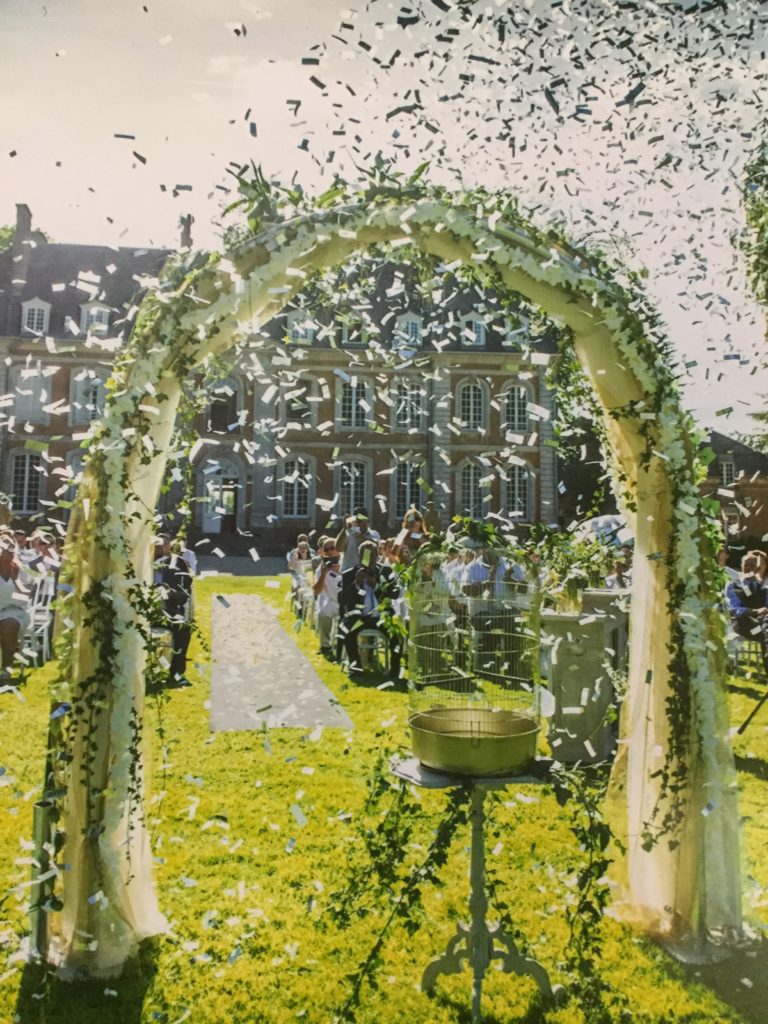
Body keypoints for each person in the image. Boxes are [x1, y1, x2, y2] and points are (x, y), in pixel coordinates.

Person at [338, 539, 400, 677]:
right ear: (359, 556)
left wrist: (377, 586)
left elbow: (393, 595)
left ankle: (395, 668)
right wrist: (356, 583)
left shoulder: (385, 571)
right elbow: (342, 600)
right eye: (366, 555)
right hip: (360, 617)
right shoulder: (349, 574)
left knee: (396, 631)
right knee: (349, 630)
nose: (369, 559)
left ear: (377, 555)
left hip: (380, 617)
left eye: (372, 555)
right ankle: (355, 666)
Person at [153, 539, 193, 688]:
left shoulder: (177, 564)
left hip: (166, 611)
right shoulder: (137, 561)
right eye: (155, 545)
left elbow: (183, 596)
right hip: (140, 612)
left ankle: (176, 674)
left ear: (168, 547)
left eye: (162, 545)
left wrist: (169, 592)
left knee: (183, 628)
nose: (158, 548)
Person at [725, 552, 768, 671]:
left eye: (752, 565)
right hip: (743, 625)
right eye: (746, 564)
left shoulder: (763, 587)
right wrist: (754, 611)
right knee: (765, 634)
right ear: (741, 566)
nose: (748, 567)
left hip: (763, 624)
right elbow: (733, 609)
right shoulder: (733, 585)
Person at [0, 532, 26, 680]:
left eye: (10, 550)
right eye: (4, 550)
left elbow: (27, 595)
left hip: (15, 611)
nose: (7, 554)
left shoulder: (18, 570)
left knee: (10, 625)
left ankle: (6, 668)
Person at [313, 538, 341, 658]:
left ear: (338, 549)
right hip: (333, 601)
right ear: (323, 553)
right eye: (326, 549)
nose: (329, 551)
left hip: (346, 602)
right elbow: (317, 591)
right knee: (322, 614)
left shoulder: (346, 562)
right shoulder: (321, 569)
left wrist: (338, 570)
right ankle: (325, 645)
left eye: (332, 548)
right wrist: (323, 575)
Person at [335, 508, 380, 573]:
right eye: (356, 520)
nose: (358, 523)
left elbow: (374, 549)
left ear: (367, 521)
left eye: (360, 521)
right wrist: (345, 528)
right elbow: (339, 548)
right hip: (348, 572)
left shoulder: (374, 534)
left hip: (366, 572)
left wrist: (361, 537)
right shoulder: (348, 532)